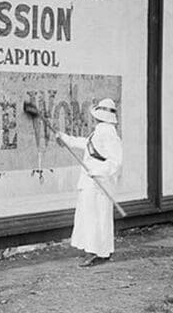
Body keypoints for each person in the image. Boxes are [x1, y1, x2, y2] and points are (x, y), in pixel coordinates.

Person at [56, 98, 123, 267]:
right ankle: (102, 251)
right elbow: (87, 145)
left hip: (97, 183)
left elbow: (116, 161)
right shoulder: (101, 131)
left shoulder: (107, 132)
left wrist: (98, 172)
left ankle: (95, 252)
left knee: (94, 217)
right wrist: (66, 139)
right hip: (93, 181)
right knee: (96, 216)